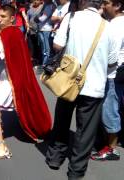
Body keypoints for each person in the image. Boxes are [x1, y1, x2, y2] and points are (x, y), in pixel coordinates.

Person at [0, 4, 52, 160]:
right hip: (3, 77)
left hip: (10, 81)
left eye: (2, 17)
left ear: (12, 19)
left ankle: (1, 147)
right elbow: (3, 56)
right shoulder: (13, 33)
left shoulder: (8, 34)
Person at [44, 0, 116, 179]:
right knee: (86, 131)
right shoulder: (107, 26)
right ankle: (76, 171)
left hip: (68, 81)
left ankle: (55, 157)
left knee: (62, 120)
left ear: (84, 2)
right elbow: (112, 61)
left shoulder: (71, 17)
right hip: (94, 86)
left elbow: (57, 45)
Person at [90, 0, 124, 161]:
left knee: (109, 111)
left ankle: (111, 149)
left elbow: (112, 56)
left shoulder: (115, 25)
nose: (103, 6)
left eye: (106, 3)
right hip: (117, 73)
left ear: (117, 6)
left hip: (111, 74)